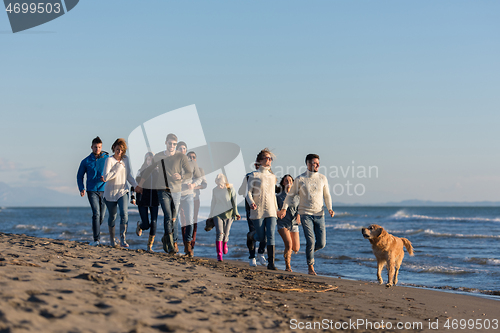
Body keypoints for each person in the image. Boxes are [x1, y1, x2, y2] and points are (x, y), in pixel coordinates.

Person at [134, 133, 192, 255]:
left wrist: (181, 176)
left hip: (176, 190)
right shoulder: (159, 156)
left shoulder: (181, 157)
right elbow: (148, 170)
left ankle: (166, 238)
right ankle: (170, 246)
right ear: (166, 143)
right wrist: (140, 185)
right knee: (167, 215)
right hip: (162, 190)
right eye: (170, 143)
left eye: (174, 144)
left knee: (173, 218)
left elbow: (189, 173)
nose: (172, 146)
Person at [278, 154, 334, 275]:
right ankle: (311, 267)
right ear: (308, 164)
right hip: (305, 214)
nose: (318, 164)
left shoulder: (323, 178)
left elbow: (327, 195)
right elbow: (289, 196)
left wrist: (330, 208)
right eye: (315, 163)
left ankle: (310, 252)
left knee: (321, 243)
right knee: (311, 240)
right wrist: (283, 209)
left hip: (320, 214)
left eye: (318, 162)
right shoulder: (300, 179)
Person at [246, 148, 279, 270]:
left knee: (271, 235)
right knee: (261, 237)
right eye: (267, 158)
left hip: (271, 209)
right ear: (260, 160)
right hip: (257, 209)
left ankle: (271, 263)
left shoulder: (272, 176)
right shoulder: (253, 175)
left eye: (270, 158)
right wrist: (251, 203)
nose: (269, 160)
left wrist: (277, 210)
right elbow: (248, 193)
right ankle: (251, 236)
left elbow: (273, 195)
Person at [102, 138, 138, 247]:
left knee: (124, 214)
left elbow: (128, 176)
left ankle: (123, 239)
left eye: (122, 150)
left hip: (123, 191)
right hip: (110, 193)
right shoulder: (109, 160)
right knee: (112, 216)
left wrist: (136, 186)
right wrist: (116, 168)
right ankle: (112, 240)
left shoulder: (126, 160)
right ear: (114, 148)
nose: (119, 152)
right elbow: (106, 177)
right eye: (117, 149)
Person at [77, 136, 109, 246]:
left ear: (101, 147)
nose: (97, 149)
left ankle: (96, 229)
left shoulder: (107, 159)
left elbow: (114, 171)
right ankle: (97, 240)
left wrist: (107, 178)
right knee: (96, 213)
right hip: (91, 190)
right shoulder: (86, 161)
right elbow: (79, 175)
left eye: (99, 147)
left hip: (105, 190)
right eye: (95, 147)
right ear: (91, 147)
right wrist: (82, 188)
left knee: (102, 216)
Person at [176, 141, 204, 257]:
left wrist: (193, 185)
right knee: (174, 220)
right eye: (180, 148)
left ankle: (188, 244)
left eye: (184, 148)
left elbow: (199, 178)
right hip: (176, 194)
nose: (182, 150)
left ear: (186, 150)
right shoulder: (173, 162)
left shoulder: (192, 163)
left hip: (189, 194)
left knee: (190, 220)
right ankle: (173, 242)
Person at [238, 164, 267, 267]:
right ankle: (252, 257)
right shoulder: (249, 176)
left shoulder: (269, 176)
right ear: (256, 166)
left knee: (266, 232)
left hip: (266, 209)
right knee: (253, 232)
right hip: (252, 209)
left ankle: (261, 252)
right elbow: (241, 191)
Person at [209, 173, 240, 261]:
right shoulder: (215, 190)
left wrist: (236, 213)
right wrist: (210, 215)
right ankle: (219, 254)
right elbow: (213, 202)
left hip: (229, 214)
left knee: (226, 234)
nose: (220, 186)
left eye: (222, 184)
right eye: (218, 184)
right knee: (220, 233)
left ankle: (225, 243)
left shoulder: (230, 189)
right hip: (217, 214)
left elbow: (234, 202)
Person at [133, 152, 160, 252]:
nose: (150, 161)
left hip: (154, 200)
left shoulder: (158, 172)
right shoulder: (141, 171)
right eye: (148, 159)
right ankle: (140, 225)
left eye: (152, 160)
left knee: (154, 223)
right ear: (145, 160)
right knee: (146, 224)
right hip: (142, 200)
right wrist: (133, 197)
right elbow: (134, 185)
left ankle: (149, 246)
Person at [276, 175, 300, 272]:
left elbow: (300, 207)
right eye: (286, 180)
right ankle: (288, 266)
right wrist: (278, 212)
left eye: (290, 180)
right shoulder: (278, 196)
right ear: (283, 183)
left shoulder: (297, 196)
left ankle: (288, 255)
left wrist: (298, 215)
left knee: (296, 248)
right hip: (282, 223)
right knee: (289, 245)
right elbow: (274, 208)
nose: (288, 182)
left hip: (294, 224)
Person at [187, 151, 207, 251]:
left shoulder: (200, 170)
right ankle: (187, 244)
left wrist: (195, 187)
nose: (191, 158)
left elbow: (205, 184)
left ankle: (192, 243)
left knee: (194, 221)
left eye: (193, 157)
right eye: (189, 156)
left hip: (195, 199)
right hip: (184, 199)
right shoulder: (183, 169)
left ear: (196, 159)